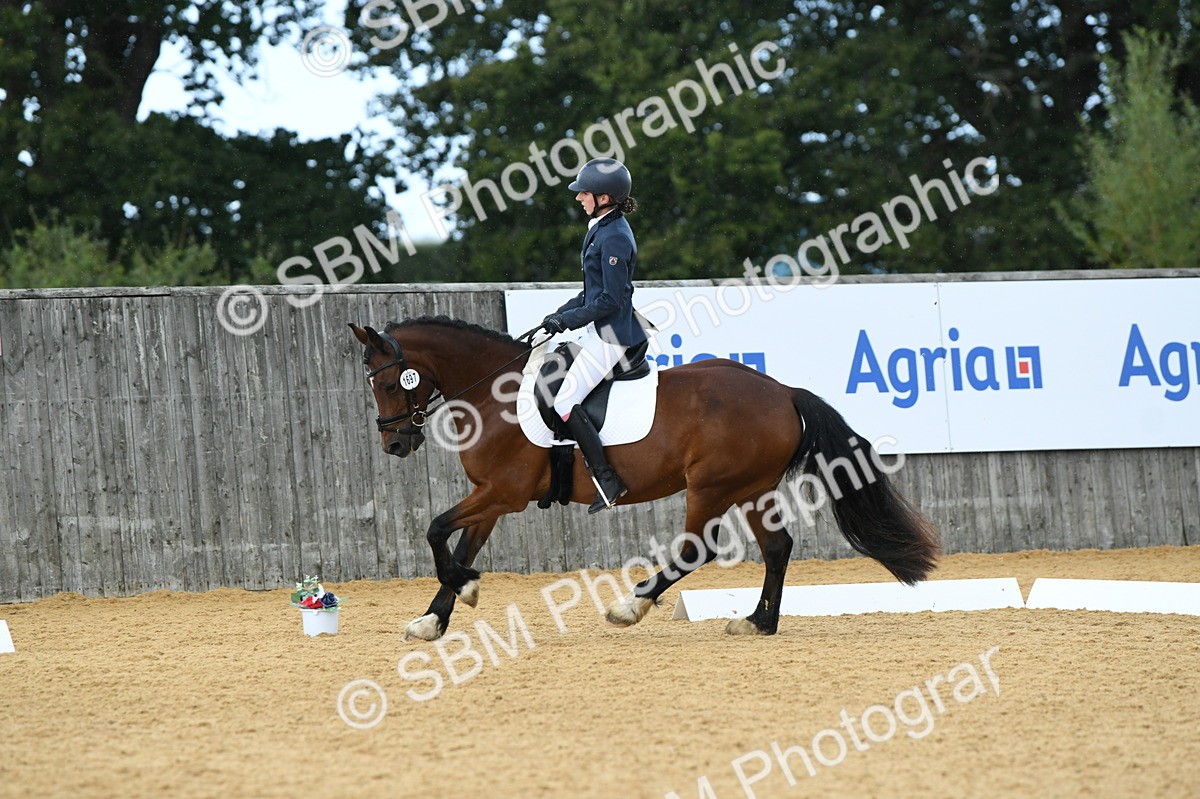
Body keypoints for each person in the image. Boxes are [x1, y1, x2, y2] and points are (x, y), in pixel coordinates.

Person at [540, 157, 647, 513]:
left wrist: (569, 321)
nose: (578, 198)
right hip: (598, 329)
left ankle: (607, 479)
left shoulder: (615, 236)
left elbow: (609, 299)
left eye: (583, 192)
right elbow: (590, 291)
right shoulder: (601, 227)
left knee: (564, 401)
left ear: (604, 197)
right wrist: (559, 315)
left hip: (613, 335)